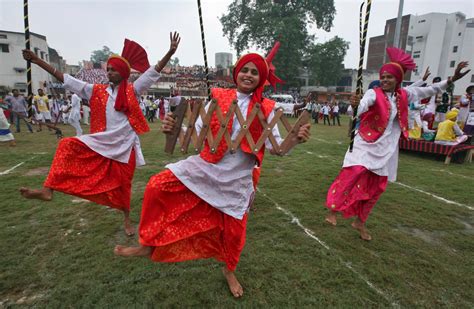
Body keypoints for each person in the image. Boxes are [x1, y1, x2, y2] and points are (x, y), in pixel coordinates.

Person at [114, 44, 311, 298]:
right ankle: (148, 243)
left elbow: (277, 149)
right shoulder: (217, 97)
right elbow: (194, 133)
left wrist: (295, 139)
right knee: (156, 185)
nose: (249, 75)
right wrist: (172, 129)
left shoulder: (267, 109)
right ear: (236, 73)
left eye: (254, 72)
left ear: (260, 78)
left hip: (238, 178)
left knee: (235, 235)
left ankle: (229, 270)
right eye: (245, 70)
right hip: (206, 166)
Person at [20, 32, 181, 236]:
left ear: (123, 73)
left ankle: (126, 221)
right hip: (103, 142)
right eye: (109, 69)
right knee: (66, 145)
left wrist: (170, 52)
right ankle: (47, 190)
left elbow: (153, 71)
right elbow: (66, 79)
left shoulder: (133, 90)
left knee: (124, 186)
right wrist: (36, 61)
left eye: (114, 70)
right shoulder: (95, 90)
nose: (109, 73)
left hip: (125, 147)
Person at [324, 47, 470, 241]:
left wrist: (451, 80)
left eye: (389, 77)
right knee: (354, 172)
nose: (384, 80)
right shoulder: (373, 93)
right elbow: (361, 107)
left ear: (397, 80)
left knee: (377, 187)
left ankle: (360, 221)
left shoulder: (405, 94)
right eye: (383, 77)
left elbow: (431, 89)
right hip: (365, 143)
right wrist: (355, 105)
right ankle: (332, 210)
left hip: (387, 148)